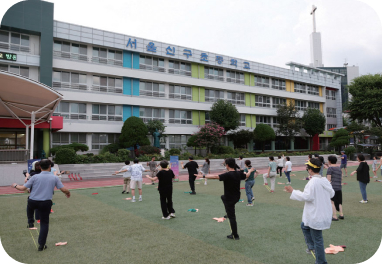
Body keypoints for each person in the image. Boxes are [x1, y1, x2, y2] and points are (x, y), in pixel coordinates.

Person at [11, 159, 71, 251]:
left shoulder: (34, 177)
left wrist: (15, 185)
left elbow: (23, 188)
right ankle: (41, 245)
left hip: (33, 201)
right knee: (44, 223)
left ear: (39, 167)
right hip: (45, 203)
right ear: (50, 167)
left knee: (30, 203)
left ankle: (30, 221)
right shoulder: (54, 178)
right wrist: (67, 193)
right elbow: (64, 189)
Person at [284, 158, 334, 264]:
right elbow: (332, 194)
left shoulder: (313, 182)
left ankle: (321, 261)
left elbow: (307, 196)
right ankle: (312, 247)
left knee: (318, 240)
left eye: (308, 168)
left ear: (310, 170)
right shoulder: (324, 180)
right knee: (304, 226)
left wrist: (293, 191)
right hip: (322, 214)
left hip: (316, 215)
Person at [204, 158, 251, 240]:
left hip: (230, 198)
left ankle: (235, 235)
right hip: (236, 197)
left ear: (227, 165)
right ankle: (228, 213)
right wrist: (250, 170)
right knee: (222, 197)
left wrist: (203, 176)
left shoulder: (228, 174)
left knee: (232, 216)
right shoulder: (238, 173)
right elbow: (246, 175)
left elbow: (215, 176)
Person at [326, 155, 344, 221]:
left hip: (332, 187)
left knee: (332, 202)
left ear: (329, 161)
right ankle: (341, 214)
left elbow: (328, 179)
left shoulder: (330, 169)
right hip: (339, 187)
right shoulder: (339, 168)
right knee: (339, 202)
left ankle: (334, 216)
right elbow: (341, 178)